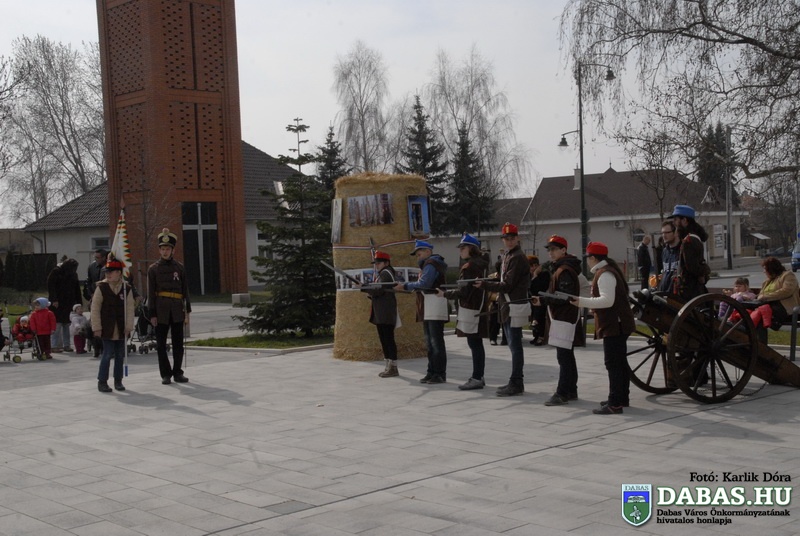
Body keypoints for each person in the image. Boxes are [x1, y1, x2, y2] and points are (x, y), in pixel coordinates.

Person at [569, 242, 636, 414]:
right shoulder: (607, 271)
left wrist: (581, 302)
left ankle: (615, 403)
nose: (587, 261)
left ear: (593, 258)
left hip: (615, 325)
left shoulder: (605, 274)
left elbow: (607, 301)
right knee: (619, 362)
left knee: (613, 363)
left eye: (588, 258)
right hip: (617, 323)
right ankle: (621, 398)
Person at [475, 223, 531, 397]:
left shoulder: (517, 257)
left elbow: (507, 285)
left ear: (517, 238)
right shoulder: (509, 255)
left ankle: (517, 382)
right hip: (508, 304)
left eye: (512, 238)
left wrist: (485, 285)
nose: (509, 241)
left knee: (515, 346)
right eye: (506, 238)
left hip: (513, 304)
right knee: (513, 345)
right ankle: (515, 381)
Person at [531, 235, 584, 405]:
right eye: (549, 250)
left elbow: (564, 296)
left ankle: (562, 393)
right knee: (567, 355)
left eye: (554, 249)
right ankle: (571, 390)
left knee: (564, 357)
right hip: (563, 316)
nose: (551, 253)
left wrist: (543, 300)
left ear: (563, 250)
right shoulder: (562, 268)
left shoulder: (565, 270)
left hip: (564, 317)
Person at [438, 233, 489, 390]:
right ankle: (479, 376)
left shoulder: (469, 267)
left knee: (474, 343)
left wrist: (445, 294)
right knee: (477, 343)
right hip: (479, 306)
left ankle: (477, 377)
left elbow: (464, 291)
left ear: (471, 249)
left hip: (470, 307)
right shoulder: (482, 264)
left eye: (463, 247)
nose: (460, 250)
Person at [395, 239, 448, 383]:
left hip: (434, 304)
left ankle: (439, 373)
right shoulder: (429, 264)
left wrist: (405, 286)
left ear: (428, 251)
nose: (418, 257)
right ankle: (432, 371)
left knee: (435, 343)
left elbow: (424, 284)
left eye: (419, 254)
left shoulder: (431, 264)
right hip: (429, 305)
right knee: (430, 343)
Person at [148, 228, 192, 385]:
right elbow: (151, 293)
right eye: (162, 249)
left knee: (178, 343)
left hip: (177, 309)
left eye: (168, 249)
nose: (165, 252)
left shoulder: (179, 267)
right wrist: (152, 313)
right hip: (161, 309)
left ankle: (178, 372)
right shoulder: (153, 269)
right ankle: (165, 374)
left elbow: (185, 289)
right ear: (159, 250)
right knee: (161, 344)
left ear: (173, 250)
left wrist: (187, 310)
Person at [92, 256, 135, 392]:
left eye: (111, 272)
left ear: (119, 273)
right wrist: (97, 327)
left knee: (120, 356)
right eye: (107, 272)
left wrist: (129, 326)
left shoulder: (126, 288)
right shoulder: (102, 287)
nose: (108, 274)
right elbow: (95, 309)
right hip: (107, 327)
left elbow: (130, 309)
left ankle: (118, 380)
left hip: (121, 328)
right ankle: (102, 381)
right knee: (107, 354)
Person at [361, 251, 400, 378]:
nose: (376, 265)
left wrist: (364, 287)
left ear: (386, 263)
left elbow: (379, 289)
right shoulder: (383, 273)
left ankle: (392, 366)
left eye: (379, 263)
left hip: (385, 312)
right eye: (376, 263)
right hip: (382, 312)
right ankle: (389, 365)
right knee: (384, 339)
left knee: (388, 339)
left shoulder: (386, 273)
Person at [748, 257, 799, 333]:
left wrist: (766, 297)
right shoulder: (767, 281)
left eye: (765, 269)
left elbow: (787, 291)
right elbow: (761, 295)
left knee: (761, 312)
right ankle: (746, 330)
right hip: (767, 306)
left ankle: (751, 332)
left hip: (785, 308)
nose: (764, 272)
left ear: (771, 269)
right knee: (749, 310)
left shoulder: (788, 275)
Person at [671, 204, 710, 300]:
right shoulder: (690, 239)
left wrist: (705, 270)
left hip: (690, 291)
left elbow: (693, 267)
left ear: (684, 220)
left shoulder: (689, 241)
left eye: (676, 219)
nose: (674, 223)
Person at [47, 258, 81, 352]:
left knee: (67, 324)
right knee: (57, 325)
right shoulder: (56, 271)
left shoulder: (73, 274)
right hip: (57, 302)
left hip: (69, 302)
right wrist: (54, 299)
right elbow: (51, 286)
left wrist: (79, 302)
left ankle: (67, 345)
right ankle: (54, 345)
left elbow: (77, 289)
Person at [528, 255, 550, 345]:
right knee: (534, 312)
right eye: (531, 266)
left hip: (542, 299)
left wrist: (535, 275)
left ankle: (541, 336)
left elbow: (541, 288)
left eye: (535, 265)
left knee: (540, 313)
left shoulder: (545, 274)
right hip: (532, 299)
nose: (533, 268)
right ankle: (536, 335)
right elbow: (529, 288)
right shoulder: (528, 275)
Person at [657, 220, 681, 295]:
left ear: (675, 233)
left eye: (667, 233)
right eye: (662, 233)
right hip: (664, 293)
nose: (664, 236)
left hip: (677, 295)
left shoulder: (683, 250)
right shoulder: (665, 251)